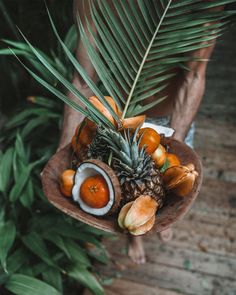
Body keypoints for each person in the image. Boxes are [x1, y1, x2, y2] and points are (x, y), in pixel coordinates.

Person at [58, 0, 221, 264]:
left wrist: (171, 155)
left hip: (170, 120)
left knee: (164, 196)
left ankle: (153, 220)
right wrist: (63, 153)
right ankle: (133, 237)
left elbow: (193, 77)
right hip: (115, 119)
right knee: (121, 198)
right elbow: (82, 80)